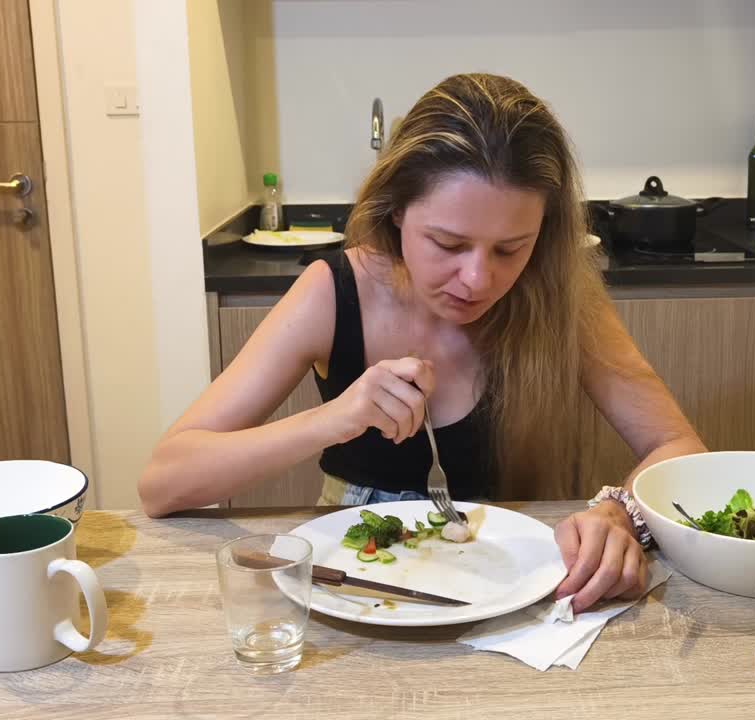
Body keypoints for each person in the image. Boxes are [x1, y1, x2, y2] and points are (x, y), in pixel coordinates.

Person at [138, 73, 707, 611]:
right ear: (395, 213)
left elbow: (679, 446)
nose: (478, 280)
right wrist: (334, 418)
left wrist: (617, 513)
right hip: (352, 592)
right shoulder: (334, 291)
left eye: (511, 248)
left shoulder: (560, 298)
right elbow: (164, 483)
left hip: (515, 594)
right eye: (448, 243)